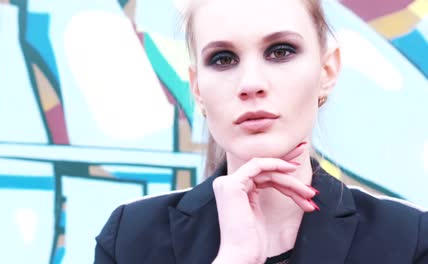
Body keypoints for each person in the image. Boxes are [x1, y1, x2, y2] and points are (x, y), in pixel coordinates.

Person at [94, 0, 428, 263]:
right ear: (197, 88)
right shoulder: (130, 240)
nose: (251, 83)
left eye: (281, 51)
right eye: (223, 59)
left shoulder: (407, 239)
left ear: (326, 71)